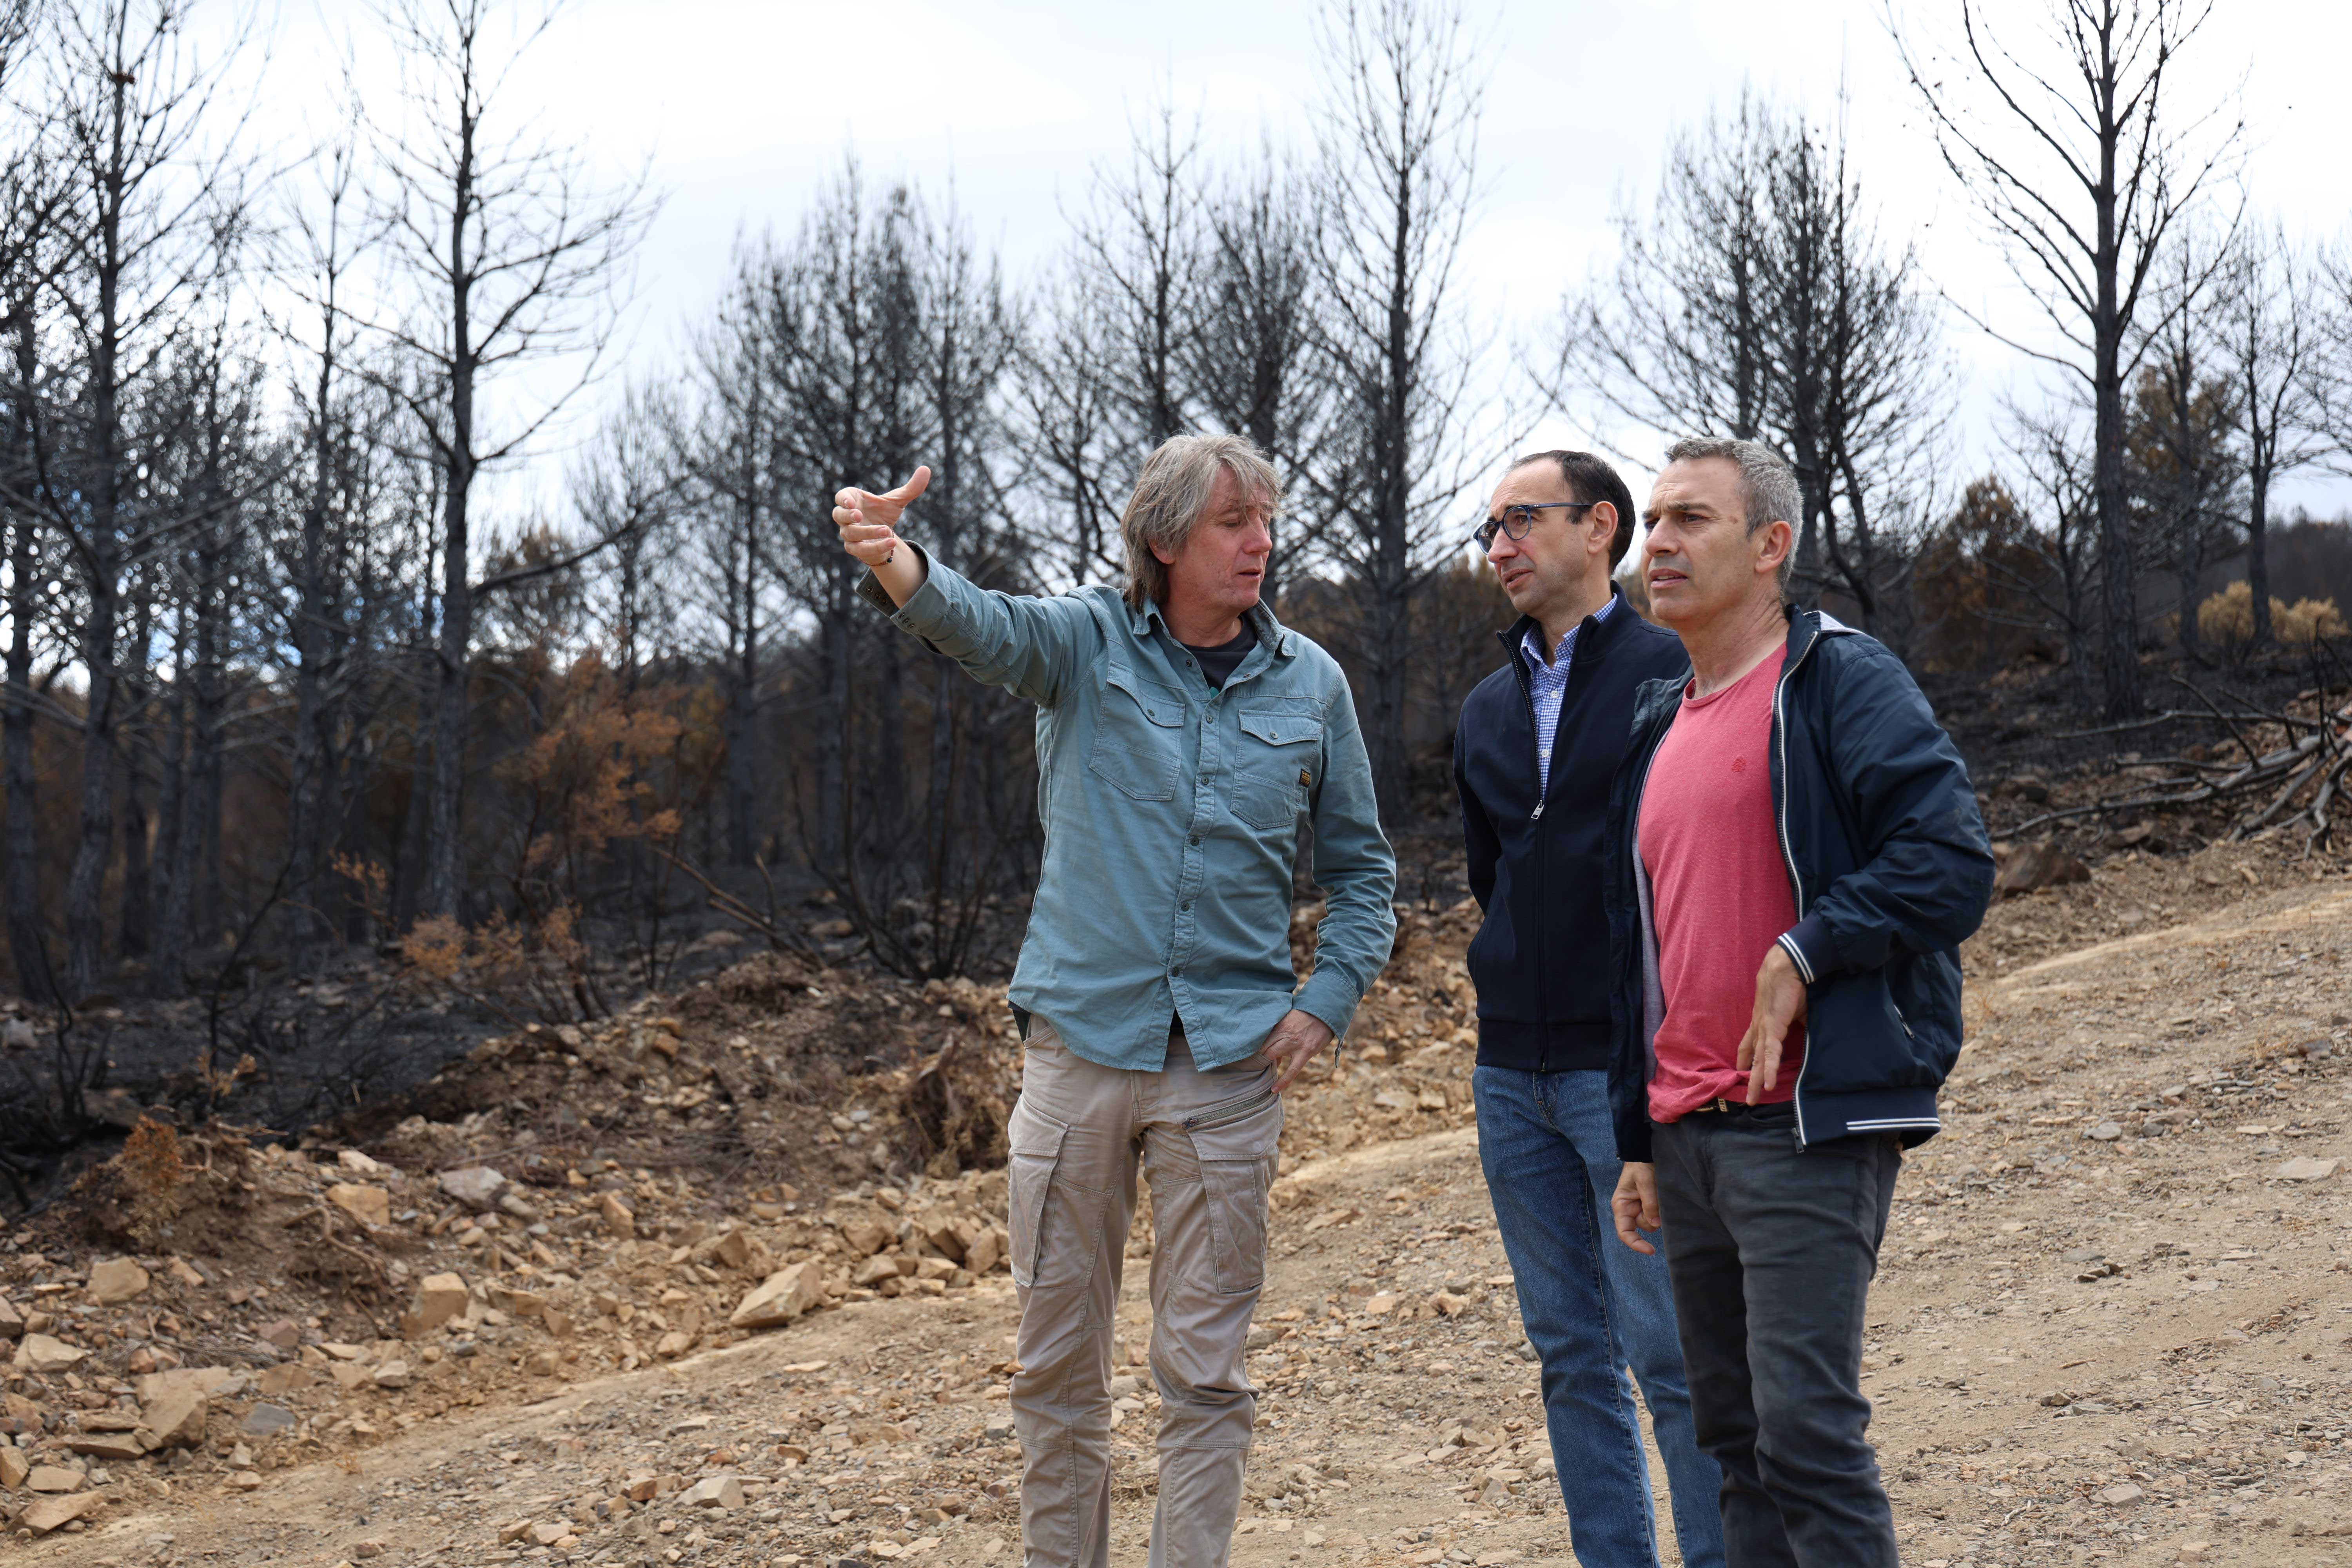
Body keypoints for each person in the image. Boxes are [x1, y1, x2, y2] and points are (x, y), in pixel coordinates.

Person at [833, 434, 1397, 1568]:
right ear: (1163, 539)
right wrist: (892, 553)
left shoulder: (1313, 685)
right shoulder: (1085, 647)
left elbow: (1365, 876)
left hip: (1231, 1074)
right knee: (1055, 1374)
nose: (1260, 543)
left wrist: (1325, 1000)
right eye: (1234, 522)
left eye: (1266, 521)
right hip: (1078, 1057)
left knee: (1204, 1377)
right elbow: (977, 623)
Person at [1603, 438, 1994, 1566]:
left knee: (1807, 1436)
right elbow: (1648, 949)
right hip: (1687, 1133)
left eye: (1691, 520)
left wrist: (1809, 947)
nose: (1658, 542)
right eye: (1654, 519)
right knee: (1735, 1444)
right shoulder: (1656, 723)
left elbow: (1951, 862)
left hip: (1804, 1120)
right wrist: (1640, 1132)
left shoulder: (1836, 680)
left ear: (1772, 547)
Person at [1452, 450, 1724, 1568]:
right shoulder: (1482, 708)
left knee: (1672, 1355)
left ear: (1601, 527)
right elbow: (1494, 877)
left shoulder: (1675, 668)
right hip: (1509, 1075)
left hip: (1630, 1072)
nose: (1499, 548)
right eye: (1490, 530)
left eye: (1521, 520)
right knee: (1571, 1357)